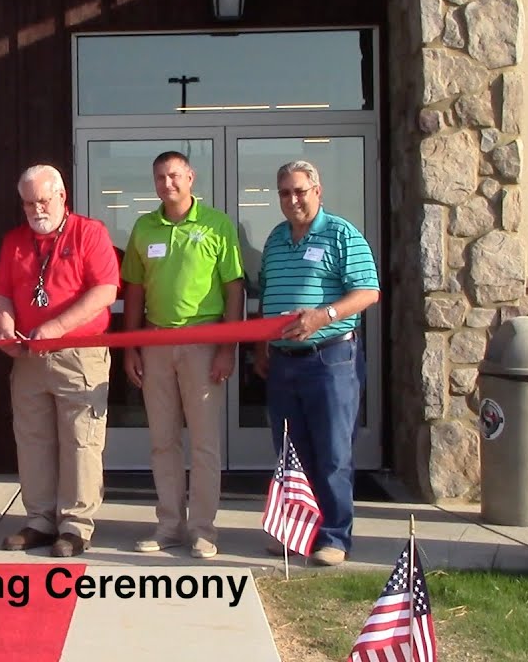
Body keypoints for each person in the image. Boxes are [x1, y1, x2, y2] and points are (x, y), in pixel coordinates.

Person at [254, 160, 379, 567]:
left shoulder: (342, 234)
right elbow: (268, 297)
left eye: (300, 191)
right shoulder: (274, 239)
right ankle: (296, 533)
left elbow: (367, 292)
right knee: (291, 453)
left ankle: (333, 537)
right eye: (285, 193)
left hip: (331, 360)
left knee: (331, 452)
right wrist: (261, 347)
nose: (293, 200)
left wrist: (321, 316)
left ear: (317, 191)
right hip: (284, 361)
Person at [0, 164, 119, 558]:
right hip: (29, 356)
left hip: (79, 355)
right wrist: (6, 328)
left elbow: (105, 291)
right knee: (33, 441)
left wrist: (58, 327)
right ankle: (40, 520)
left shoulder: (89, 233)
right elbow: (1, 296)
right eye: (28, 203)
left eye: (42, 200)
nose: (35, 210)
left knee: (81, 441)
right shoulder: (15, 241)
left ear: (62, 196)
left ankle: (76, 526)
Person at [121, 151, 244, 559]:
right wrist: (131, 346)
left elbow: (234, 290)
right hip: (155, 343)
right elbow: (134, 293)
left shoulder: (217, 225)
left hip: (204, 344)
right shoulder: (144, 227)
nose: (167, 184)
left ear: (190, 177)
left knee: (205, 444)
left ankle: (203, 529)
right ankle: (169, 524)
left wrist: (227, 347)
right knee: (163, 440)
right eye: (159, 177)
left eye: (174, 175)